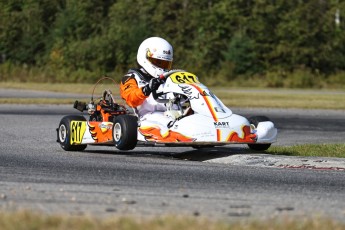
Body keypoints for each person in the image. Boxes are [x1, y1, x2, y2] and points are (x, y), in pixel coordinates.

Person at [120, 37, 173, 117]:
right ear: (145, 57)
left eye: (165, 64)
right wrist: (146, 89)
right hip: (145, 122)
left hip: (171, 119)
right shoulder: (132, 78)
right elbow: (130, 98)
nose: (162, 67)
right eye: (158, 62)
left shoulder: (170, 79)